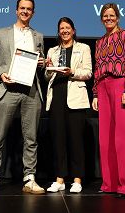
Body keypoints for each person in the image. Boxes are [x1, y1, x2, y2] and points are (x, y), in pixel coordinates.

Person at [0, 0, 45, 195]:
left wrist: (42, 63)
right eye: (22, 8)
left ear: (33, 13)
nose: (25, 12)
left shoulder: (38, 36)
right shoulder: (1, 33)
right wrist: (1, 74)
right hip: (7, 89)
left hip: (30, 91)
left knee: (31, 137)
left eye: (29, 9)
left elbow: (39, 62)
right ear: (16, 10)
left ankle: (30, 178)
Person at [92, 3, 125, 198]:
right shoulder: (100, 41)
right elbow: (97, 68)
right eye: (105, 16)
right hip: (103, 87)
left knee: (123, 138)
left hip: (121, 85)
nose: (108, 18)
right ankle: (109, 183)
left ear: (118, 18)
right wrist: (95, 93)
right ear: (102, 18)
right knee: (106, 138)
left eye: (112, 15)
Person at [45, 17, 92, 194]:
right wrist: (48, 69)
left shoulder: (83, 48)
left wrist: (72, 72)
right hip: (56, 97)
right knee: (58, 140)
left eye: (67, 28)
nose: (64, 30)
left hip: (76, 98)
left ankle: (77, 179)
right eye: (61, 28)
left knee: (76, 140)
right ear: (58, 32)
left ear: (73, 30)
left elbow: (88, 73)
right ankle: (60, 179)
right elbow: (47, 77)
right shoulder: (52, 50)